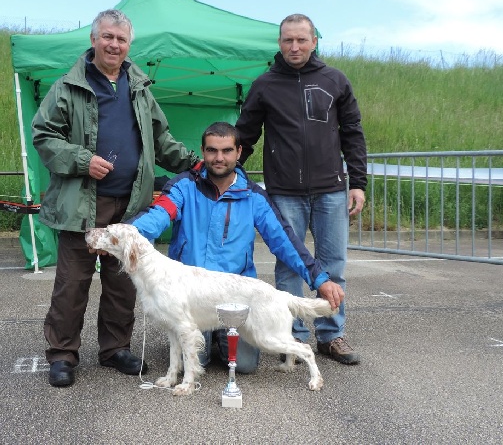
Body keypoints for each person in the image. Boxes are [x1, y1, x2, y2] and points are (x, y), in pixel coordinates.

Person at [32, 9, 199, 387]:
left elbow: (162, 139)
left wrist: (196, 164)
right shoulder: (68, 87)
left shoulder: (139, 88)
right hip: (81, 204)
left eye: (121, 39)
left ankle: (115, 349)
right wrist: (81, 160)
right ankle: (61, 355)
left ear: (128, 45)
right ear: (93, 40)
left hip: (130, 206)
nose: (114, 45)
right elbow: (44, 135)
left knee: (123, 283)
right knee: (72, 284)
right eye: (107, 37)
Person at [129, 121, 345, 373]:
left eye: (226, 151)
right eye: (211, 150)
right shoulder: (183, 187)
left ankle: (221, 337)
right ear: (202, 150)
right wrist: (122, 234)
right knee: (199, 357)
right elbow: (156, 217)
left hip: (237, 297)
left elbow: (286, 242)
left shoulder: (254, 197)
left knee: (244, 366)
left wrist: (320, 279)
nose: (218, 158)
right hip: (193, 295)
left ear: (239, 152)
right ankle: (210, 339)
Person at [235, 13, 367, 365]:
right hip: (284, 192)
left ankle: (332, 335)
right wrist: (227, 174)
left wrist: (358, 184)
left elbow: (353, 133)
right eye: (287, 40)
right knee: (289, 267)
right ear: (279, 43)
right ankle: (291, 336)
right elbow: (245, 135)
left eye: (301, 40)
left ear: (314, 41)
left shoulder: (335, 80)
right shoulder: (264, 84)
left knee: (333, 265)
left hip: (331, 191)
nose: (294, 46)